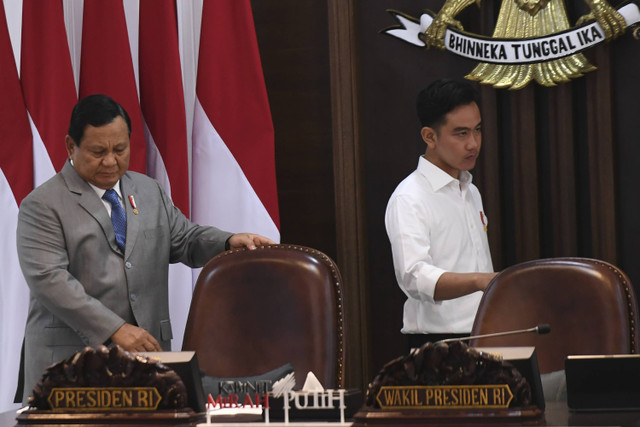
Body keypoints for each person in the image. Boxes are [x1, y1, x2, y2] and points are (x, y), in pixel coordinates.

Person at [16, 94, 275, 404]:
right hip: (71, 367)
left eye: (120, 150)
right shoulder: (43, 205)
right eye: (98, 151)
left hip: (147, 364)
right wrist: (114, 329)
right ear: (71, 146)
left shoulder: (148, 190)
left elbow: (183, 239)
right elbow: (50, 280)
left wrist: (226, 241)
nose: (111, 161)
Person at [385, 79, 498, 351]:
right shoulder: (409, 197)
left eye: (478, 130)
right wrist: (478, 280)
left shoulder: (471, 190)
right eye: (461, 134)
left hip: (485, 332)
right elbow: (413, 276)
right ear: (430, 137)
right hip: (438, 344)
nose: (473, 144)